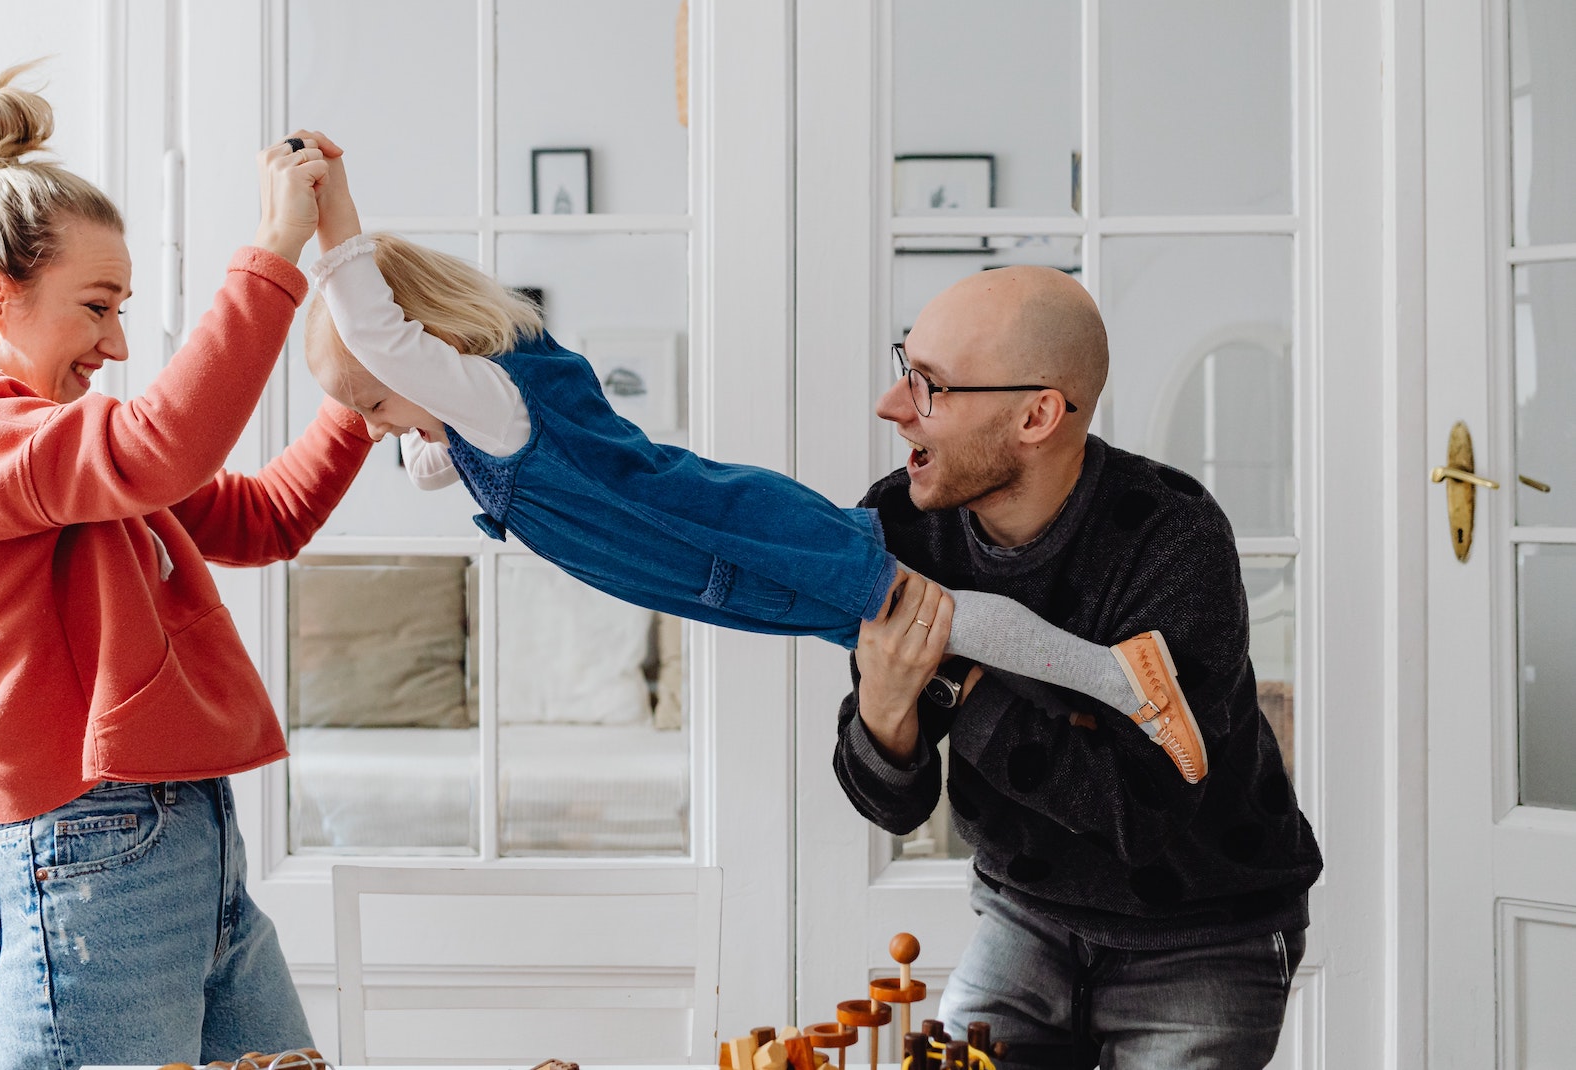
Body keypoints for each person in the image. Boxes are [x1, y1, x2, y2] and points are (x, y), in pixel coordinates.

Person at [297, 162, 1206, 778]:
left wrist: (331, 218)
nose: (376, 431)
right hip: (700, 568)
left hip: (723, 531)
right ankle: (1059, 700)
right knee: (902, 637)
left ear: (432, 350)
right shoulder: (467, 432)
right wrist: (385, 418)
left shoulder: (493, 403)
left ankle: (1121, 678)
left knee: (921, 609)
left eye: (375, 406)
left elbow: (384, 341)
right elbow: (423, 459)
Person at [0, 66, 369, 1069]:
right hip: (76, 860)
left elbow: (266, 517)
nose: (116, 342)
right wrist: (276, 250)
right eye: (96, 306)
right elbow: (165, 446)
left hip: (185, 839)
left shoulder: (56, 444)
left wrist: (359, 398)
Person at [833, 266, 1323, 1068]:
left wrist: (956, 684)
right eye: (904, 368)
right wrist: (888, 709)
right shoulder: (904, 519)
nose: (893, 407)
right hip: (1023, 912)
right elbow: (892, 802)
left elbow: (1141, 809)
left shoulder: (1172, 537)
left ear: (1037, 415)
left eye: (931, 387)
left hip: (1204, 934)